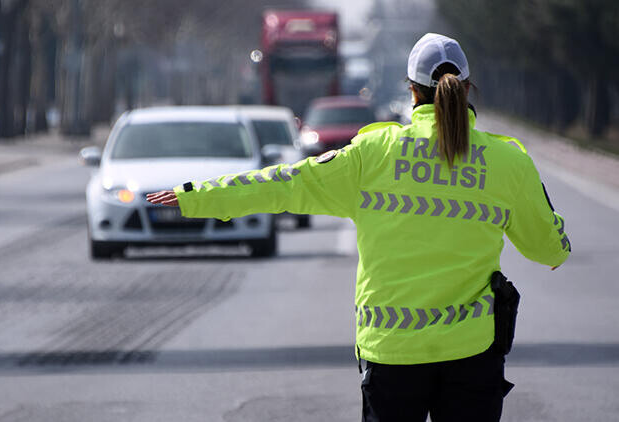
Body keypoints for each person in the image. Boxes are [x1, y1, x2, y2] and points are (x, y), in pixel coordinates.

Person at [147, 33, 570, 421]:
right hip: (472, 352)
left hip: (391, 354)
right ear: (468, 86)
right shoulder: (508, 162)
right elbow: (548, 249)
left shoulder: (374, 154)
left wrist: (195, 195)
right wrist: (558, 245)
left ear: (411, 89)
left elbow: (283, 184)